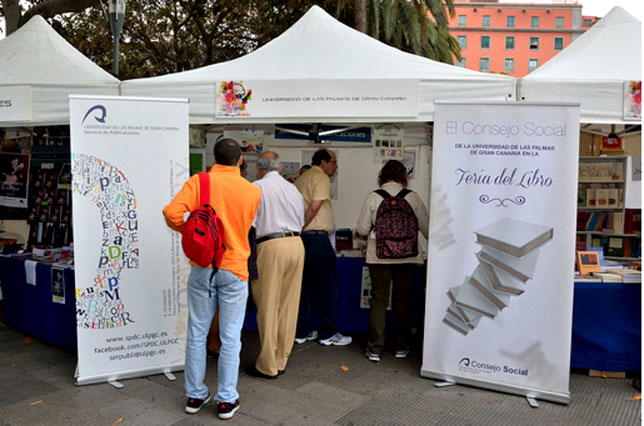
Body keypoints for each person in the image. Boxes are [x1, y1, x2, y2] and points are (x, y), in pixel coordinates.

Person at [163, 138, 261, 420]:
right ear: (240, 161)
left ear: (213, 159)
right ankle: (226, 400)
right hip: (235, 268)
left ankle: (195, 395)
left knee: (197, 332)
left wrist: (188, 230)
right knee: (231, 337)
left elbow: (172, 213)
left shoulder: (199, 182)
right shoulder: (252, 191)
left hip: (203, 267)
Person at [355, 160, 428, 362]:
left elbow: (361, 229)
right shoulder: (412, 198)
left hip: (379, 257)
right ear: (403, 176)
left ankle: (375, 348)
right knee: (402, 301)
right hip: (408, 256)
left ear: (382, 176)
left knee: (378, 301)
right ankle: (401, 346)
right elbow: (427, 228)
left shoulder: (373, 197)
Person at [245, 151, 305, 379]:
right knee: (289, 305)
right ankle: (281, 359)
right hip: (296, 244)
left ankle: (267, 365)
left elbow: (249, 223)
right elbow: (301, 221)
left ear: (259, 169)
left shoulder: (256, 187)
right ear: (280, 168)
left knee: (268, 305)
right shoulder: (293, 189)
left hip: (270, 245)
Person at [294, 149, 351, 346]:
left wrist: (300, 229)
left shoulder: (302, 178)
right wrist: (303, 224)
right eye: (334, 162)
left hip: (304, 241)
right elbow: (315, 205)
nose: (336, 167)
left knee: (306, 287)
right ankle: (328, 333)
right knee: (329, 287)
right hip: (317, 238)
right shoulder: (321, 177)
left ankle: (303, 331)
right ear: (324, 162)